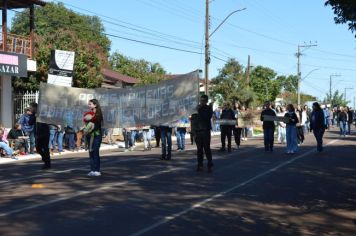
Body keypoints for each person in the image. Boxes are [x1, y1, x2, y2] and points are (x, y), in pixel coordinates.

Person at [195, 95, 213, 172]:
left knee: (206, 148)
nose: (201, 102)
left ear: (206, 101)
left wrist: (200, 110)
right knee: (199, 149)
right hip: (198, 131)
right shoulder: (197, 108)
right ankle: (200, 164)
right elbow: (194, 119)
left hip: (205, 131)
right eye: (200, 100)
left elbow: (207, 117)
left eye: (203, 100)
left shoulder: (208, 108)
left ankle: (210, 163)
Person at [29, 102, 51, 169]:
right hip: (38, 133)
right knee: (38, 148)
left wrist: (39, 116)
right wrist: (34, 116)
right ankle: (45, 159)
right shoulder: (33, 114)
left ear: (34, 107)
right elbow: (30, 122)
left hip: (45, 132)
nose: (30, 109)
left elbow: (48, 119)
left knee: (45, 148)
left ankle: (47, 163)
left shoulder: (42, 113)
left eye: (31, 108)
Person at [86, 99, 104, 177]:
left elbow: (97, 125)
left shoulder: (98, 114)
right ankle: (92, 170)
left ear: (95, 105)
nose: (89, 105)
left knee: (95, 151)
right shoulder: (88, 114)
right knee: (91, 152)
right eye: (89, 104)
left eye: (90, 104)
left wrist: (90, 126)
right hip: (89, 135)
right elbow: (86, 122)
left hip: (97, 135)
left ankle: (97, 170)